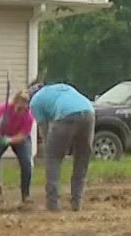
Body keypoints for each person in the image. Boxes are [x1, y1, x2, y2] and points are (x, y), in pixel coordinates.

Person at [29, 81, 96, 212]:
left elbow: (45, 131)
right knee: (82, 158)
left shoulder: (34, 102)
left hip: (66, 116)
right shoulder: (62, 87)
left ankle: (53, 204)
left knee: (52, 158)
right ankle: (77, 203)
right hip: (89, 113)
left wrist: (53, 147)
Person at [0, 90, 35, 206]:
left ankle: (25, 195)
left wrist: (9, 140)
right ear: (14, 103)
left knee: (26, 163)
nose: (22, 111)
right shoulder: (4, 108)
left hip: (18, 137)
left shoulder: (29, 117)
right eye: (19, 108)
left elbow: (22, 136)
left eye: (24, 108)